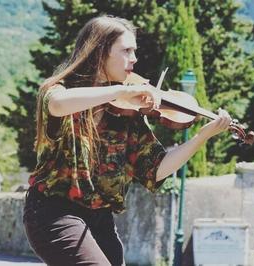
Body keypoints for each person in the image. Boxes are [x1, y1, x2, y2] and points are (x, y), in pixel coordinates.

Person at [23, 15, 231, 266]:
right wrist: (121, 90)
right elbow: (57, 105)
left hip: (99, 217)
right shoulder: (58, 90)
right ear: (99, 52)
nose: (134, 59)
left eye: (135, 51)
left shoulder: (127, 113)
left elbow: (155, 169)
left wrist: (202, 136)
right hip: (52, 212)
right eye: (126, 50)